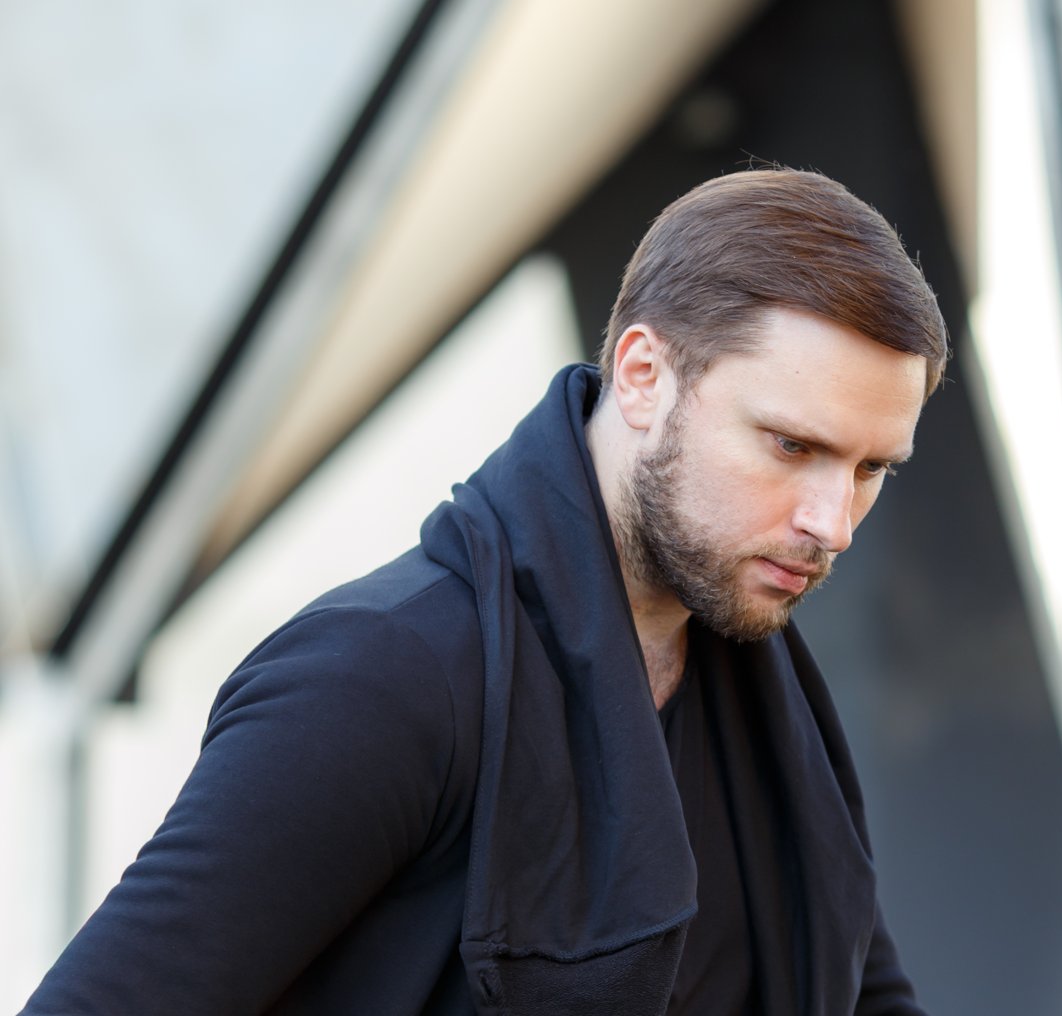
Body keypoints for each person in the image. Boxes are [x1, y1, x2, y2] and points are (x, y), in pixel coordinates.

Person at [23, 167, 949, 1015]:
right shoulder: (381, 679)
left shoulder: (765, 692)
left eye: (871, 469)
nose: (833, 522)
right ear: (642, 376)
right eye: (792, 445)